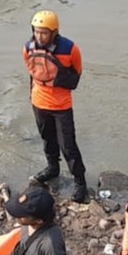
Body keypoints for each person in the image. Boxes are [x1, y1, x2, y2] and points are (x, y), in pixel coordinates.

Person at [23, 10, 87, 203]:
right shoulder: (28, 47)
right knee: (47, 139)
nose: (39, 36)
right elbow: (32, 72)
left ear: (54, 32)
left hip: (61, 105)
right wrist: (32, 94)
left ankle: (80, 181)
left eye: (44, 32)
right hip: (39, 102)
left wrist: (58, 80)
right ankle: (52, 168)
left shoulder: (70, 49)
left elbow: (76, 75)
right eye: (36, 31)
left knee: (68, 145)